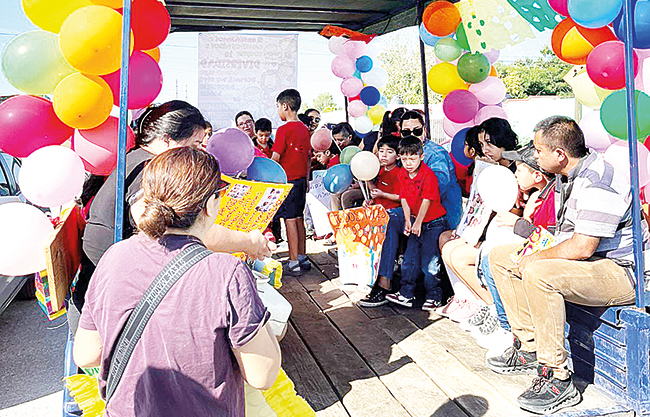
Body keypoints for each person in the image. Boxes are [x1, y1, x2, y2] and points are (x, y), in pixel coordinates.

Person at [74, 147, 281, 416]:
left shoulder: (114, 256)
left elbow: (86, 354)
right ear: (210, 205)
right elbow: (262, 375)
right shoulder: (227, 272)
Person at [487, 116, 648, 414]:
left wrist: (534, 258)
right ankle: (529, 346)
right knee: (500, 257)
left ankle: (557, 377)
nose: (535, 156)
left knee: (538, 271)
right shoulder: (567, 174)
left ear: (560, 154)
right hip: (592, 263)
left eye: (538, 150)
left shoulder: (599, 181)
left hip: (622, 271)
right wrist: (529, 251)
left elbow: (583, 247)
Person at [76, 101, 273, 327]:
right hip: (105, 310)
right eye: (195, 145)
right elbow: (179, 232)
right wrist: (248, 241)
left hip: (107, 295)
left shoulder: (138, 159)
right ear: (167, 140)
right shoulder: (149, 172)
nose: (199, 153)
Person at [385, 136, 448, 310]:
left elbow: (427, 200)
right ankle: (406, 293)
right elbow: (404, 198)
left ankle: (434, 296)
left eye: (412, 159)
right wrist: (408, 220)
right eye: (404, 159)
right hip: (415, 221)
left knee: (430, 263)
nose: (408, 163)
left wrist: (417, 222)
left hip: (433, 222)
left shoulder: (428, 175)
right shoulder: (402, 173)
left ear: (421, 156)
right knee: (409, 259)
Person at [271, 89, 312, 275]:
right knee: (299, 218)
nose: (278, 110)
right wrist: (307, 178)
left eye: (278, 106)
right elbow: (308, 157)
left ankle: (293, 260)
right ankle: (302, 256)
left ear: (285, 106)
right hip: (301, 180)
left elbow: (275, 158)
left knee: (289, 220)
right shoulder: (304, 128)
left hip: (287, 181)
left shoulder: (283, 130)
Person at [359, 135, 402, 307]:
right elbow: (376, 195)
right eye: (381, 150)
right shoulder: (379, 171)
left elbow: (402, 197)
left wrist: (383, 195)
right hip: (380, 213)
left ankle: (385, 282)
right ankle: (366, 275)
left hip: (395, 214)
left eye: (389, 152)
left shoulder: (399, 173)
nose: (383, 155)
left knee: (387, 226)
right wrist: (370, 200)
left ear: (398, 156)